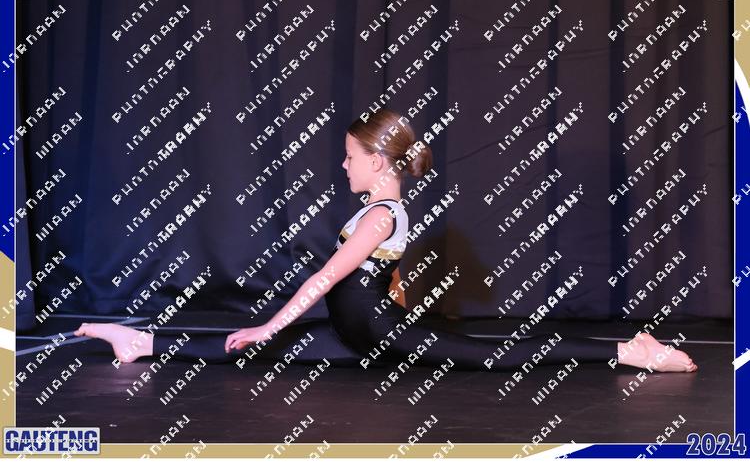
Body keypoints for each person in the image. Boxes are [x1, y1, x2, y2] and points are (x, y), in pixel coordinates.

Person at [75, 109, 698, 373]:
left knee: (497, 358)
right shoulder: (378, 211)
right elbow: (378, 273)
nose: (343, 165)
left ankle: (630, 352)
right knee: (251, 347)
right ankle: (140, 342)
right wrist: (270, 332)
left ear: (377, 161)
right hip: (360, 331)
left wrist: (270, 324)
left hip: (382, 336)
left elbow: (328, 276)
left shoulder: (379, 215)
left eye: (350, 156)